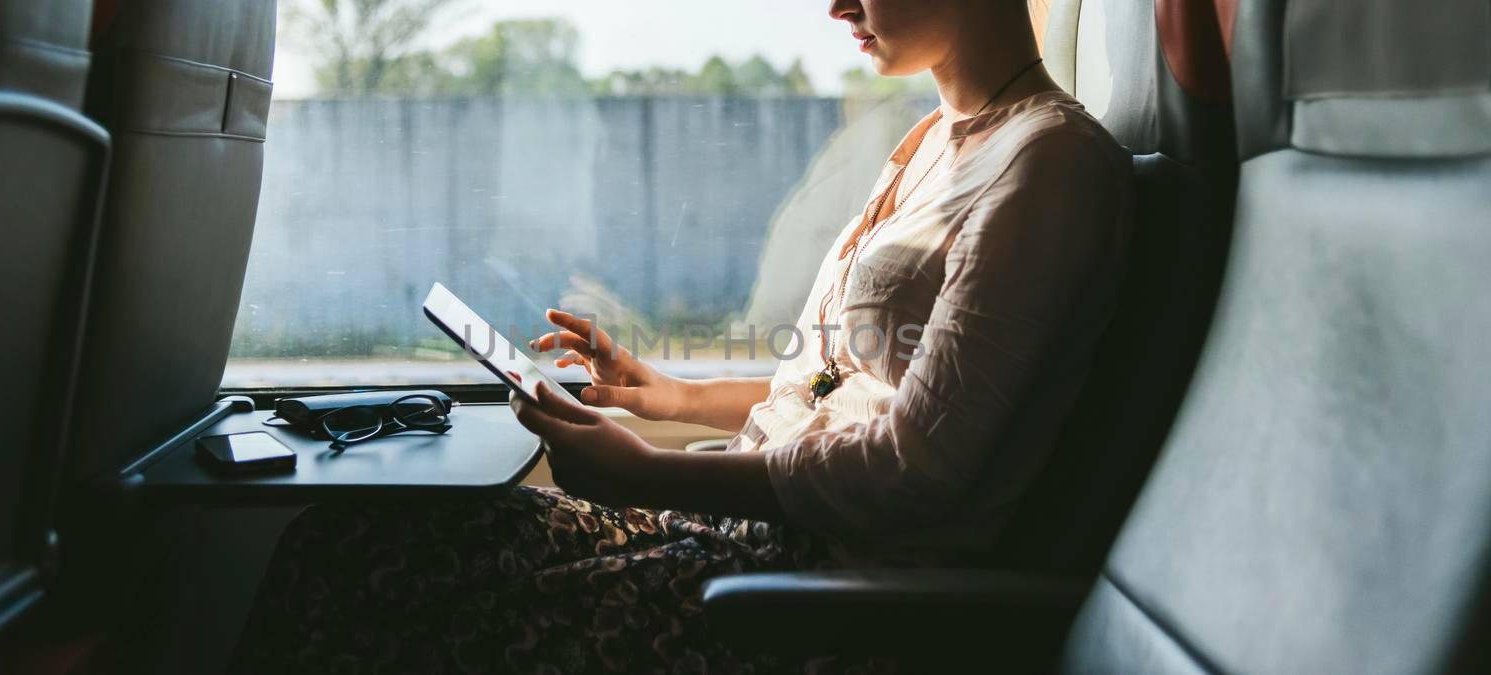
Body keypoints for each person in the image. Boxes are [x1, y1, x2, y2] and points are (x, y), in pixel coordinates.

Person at [231, 0, 1131, 671]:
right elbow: (835, 387)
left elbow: (917, 468)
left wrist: (648, 467)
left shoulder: (1050, 167)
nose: (836, 8)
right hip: (735, 529)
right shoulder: (935, 140)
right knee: (347, 533)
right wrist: (666, 396)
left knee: (359, 576)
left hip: (810, 590)